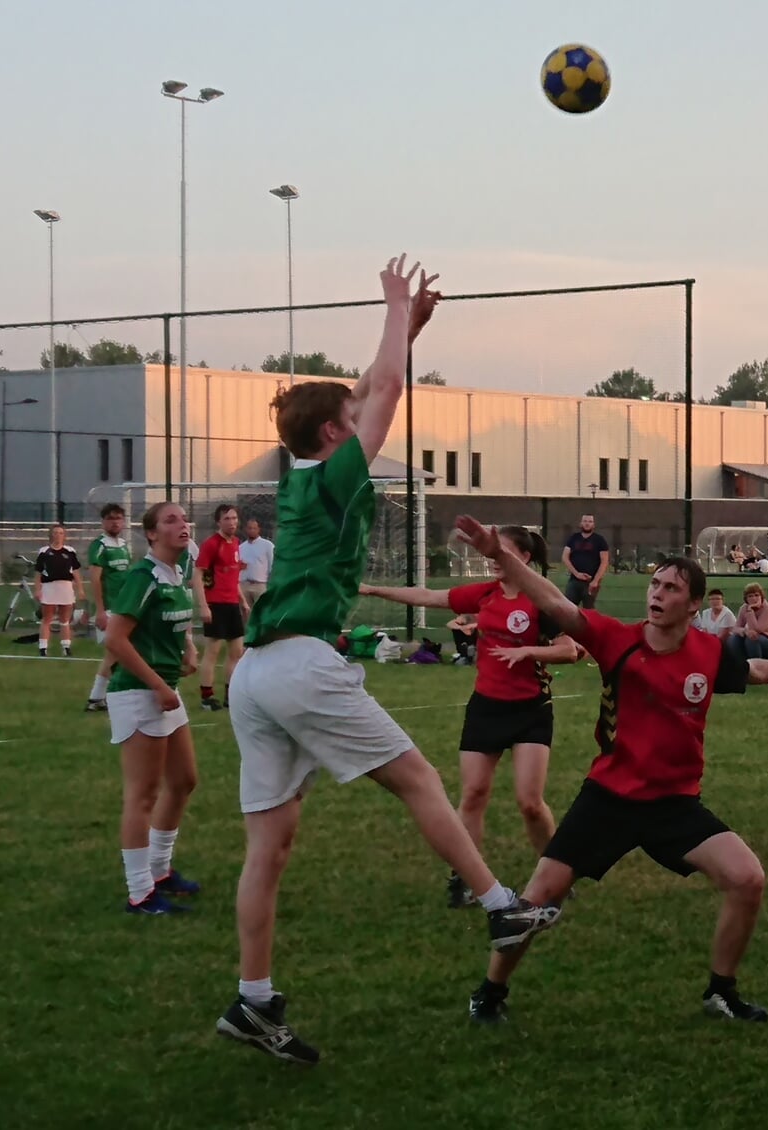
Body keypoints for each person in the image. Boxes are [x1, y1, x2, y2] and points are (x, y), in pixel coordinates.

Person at [217, 256, 558, 1066]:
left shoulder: (306, 471)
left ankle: (254, 1001)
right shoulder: (333, 476)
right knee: (417, 780)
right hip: (300, 664)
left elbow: (372, 384)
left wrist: (409, 326)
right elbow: (387, 391)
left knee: (269, 849)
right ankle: (501, 903)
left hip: (255, 677)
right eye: (351, 411)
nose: (363, 407)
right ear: (335, 433)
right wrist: (394, 305)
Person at [452, 525, 768, 1025]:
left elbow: (755, 671)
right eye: (655, 585)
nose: (658, 593)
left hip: (673, 804)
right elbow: (556, 602)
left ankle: (721, 992)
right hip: (609, 799)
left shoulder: (708, 650)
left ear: (694, 604)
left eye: (671, 588)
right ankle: (490, 993)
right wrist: (500, 555)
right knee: (534, 903)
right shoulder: (618, 640)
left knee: (747, 879)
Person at [360, 526, 583, 909]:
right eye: (491, 555)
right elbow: (429, 596)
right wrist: (374, 590)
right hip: (485, 708)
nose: (492, 561)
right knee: (474, 795)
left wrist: (529, 652)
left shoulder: (540, 600)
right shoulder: (485, 594)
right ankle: (466, 879)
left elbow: (572, 650)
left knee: (530, 802)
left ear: (523, 559)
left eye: (500, 554)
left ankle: (557, 873)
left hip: (530, 709)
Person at [106, 501, 203, 914]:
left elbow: (171, 621)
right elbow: (115, 640)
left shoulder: (178, 572)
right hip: (138, 693)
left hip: (166, 688)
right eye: (170, 520)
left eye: (183, 518)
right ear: (150, 534)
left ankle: (160, 870)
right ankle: (139, 891)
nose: (182, 525)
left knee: (183, 781)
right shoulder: (142, 576)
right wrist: (158, 684)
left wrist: (188, 645)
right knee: (142, 794)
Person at [195, 504, 248, 712]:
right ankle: (207, 697)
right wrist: (204, 606)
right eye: (227, 519)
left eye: (234, 518)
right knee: (212, 651)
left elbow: (233, 578)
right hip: (215, 604)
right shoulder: (211, 544)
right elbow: (198, 575)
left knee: (237, 651)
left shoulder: (235, 543)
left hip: (232, 604)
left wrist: (242, 600)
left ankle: (230, 695)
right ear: (218, 522)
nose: (232, 522)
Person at [85, 504, 137, 711]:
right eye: (111, 518)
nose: (115, 522)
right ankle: (97, 698)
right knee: (115, 653)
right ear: (103, 522)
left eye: (119, 518)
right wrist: (99, 610)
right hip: (109, 608)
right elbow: (96, 580)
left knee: (121, 654)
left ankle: (107, 697)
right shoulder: (99, 545)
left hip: (124, 607)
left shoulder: (124, 545)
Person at [34, 524, 84, 658]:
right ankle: (43, 648)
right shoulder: (44, 551)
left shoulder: (70, 551)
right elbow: (38, 573)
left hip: (65, 587)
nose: (58, 535)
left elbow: (76, 571)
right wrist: (38, 590)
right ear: (51, 535)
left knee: (65, 619)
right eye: (55, 533)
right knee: (47, 618)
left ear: (64, 535)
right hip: (49, 587)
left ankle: (66, 647)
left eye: (61, 533)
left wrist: (80, 589)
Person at [561, 515, 610, 610]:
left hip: (591, 582)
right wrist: (576, 574)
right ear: (581, 523)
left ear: (593, 525)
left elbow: (604, 561)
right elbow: (565, 557)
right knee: (568, 609)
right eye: (585, 521)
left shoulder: (599, 540)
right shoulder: (574, 538)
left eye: (590, 521)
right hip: (574, 580)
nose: (587, 523)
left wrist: (596, 580)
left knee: (589, 610)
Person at [728, 583, 768, 663]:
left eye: (756, 595)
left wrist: (750, 611)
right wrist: (745, 631)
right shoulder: (743, 608)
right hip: (752, 638)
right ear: (746, 599)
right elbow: (735, 628)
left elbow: (758, 629)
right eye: (750, 596)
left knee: (752, 638)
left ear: (761, 597)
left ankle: (757, 668)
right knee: (734, 638)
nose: (754, 598)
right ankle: (739, 666)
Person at [238, 518, 275, 606]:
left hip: (260, 585)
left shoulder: (267, 545)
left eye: (254, 528)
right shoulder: (241, 547)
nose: (252, 530)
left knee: (262, 612)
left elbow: (272, 565)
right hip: (244, 585)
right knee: (246, 614)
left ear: (259, 529)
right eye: (250, 528)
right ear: (246, 529)